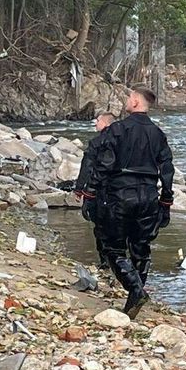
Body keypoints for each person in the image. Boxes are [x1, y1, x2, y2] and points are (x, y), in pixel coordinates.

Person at [81, 85, 174, 319]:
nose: (126, 101)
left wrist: (89, 195)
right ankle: (135, 295)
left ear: (135, 102)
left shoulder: (118, 130)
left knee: (113, 248)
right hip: (149, 195)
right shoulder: (158, 134)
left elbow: (103, 166)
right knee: (141, 249)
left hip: (120, 195)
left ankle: (135, 290)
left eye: (129, 97)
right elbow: (167, 169)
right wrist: (166, 200)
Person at [74, 112, 116, 267]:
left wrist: (80, 189)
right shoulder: (124, 142)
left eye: (97, 120)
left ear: (105, 123)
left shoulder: (97, 142)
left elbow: (87, 167)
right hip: (120, 191)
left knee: (100, 227)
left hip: (99, 190)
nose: (95, 123)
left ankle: (105, 261)